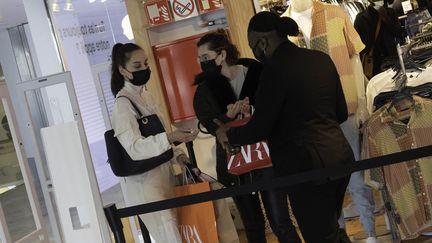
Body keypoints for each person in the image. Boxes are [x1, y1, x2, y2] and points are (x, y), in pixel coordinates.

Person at [214, 12, 354, 243]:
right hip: (339, 157)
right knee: (330, 229)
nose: (255, 53)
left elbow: (260, 128)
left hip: (305, 167)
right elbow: (339, 113)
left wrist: (229, 133)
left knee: (320, 235)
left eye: (252, 46)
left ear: (262, 41)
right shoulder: (320, 59)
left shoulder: (273, 72)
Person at [193, 30, 301, 243]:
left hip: (268, 158)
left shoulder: (257, 73)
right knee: (253, 227)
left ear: (221, 55)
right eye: (200, 59)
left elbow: (278, 109)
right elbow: (210, 124)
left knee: (280, 221)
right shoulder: (204, 91)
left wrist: (255, 110)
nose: (201, 63)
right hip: (235, 163)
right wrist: (227, 116)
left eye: (205, 58)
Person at [110, 43, 198, 242]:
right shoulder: (122, 105)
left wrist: (178, 155)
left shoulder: (146, 96)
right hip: (146, 184)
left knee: (184, 234)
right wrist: (170, 137)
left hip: (166, 176)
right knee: (170, 236)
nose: (144, 69)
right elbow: (135, 148)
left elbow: (160, 137)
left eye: (146, 63)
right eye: (137, 65)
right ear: (123, 71)